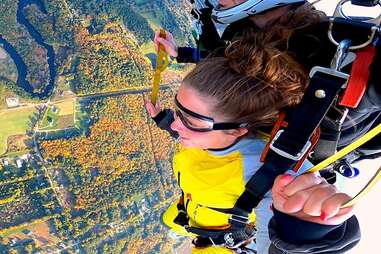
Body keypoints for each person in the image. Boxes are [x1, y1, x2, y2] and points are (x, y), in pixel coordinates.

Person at [145, 36, 359, 253]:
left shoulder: (268, 175)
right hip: (191, 212)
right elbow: (199, 136)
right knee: (168, 220)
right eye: (177, 112)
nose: (176, 124)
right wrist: (164, 120)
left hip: (217, 242)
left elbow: (274, 246)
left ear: (238, 129)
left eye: (190, 121)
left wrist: (303, 230)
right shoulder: (208, 135)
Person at [154, 0, 381, 164]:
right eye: (187, 119)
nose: (175, 125)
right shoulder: (344, 97)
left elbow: (225, 60)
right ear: (239, 131)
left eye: (180, 115)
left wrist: (164, 121)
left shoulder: (240, 44)